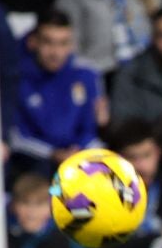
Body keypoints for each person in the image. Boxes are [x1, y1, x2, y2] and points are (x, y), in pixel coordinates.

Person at [8, 11, 105, 176]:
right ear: (34, 42)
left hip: (80, 158)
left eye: (63, 43)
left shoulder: (87, 74)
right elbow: (16, 136)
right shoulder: (16, 77)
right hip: (34, 163)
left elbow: (91, 128)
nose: (55, 53)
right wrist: (52, 153)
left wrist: (77, 151)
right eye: (48, 43)